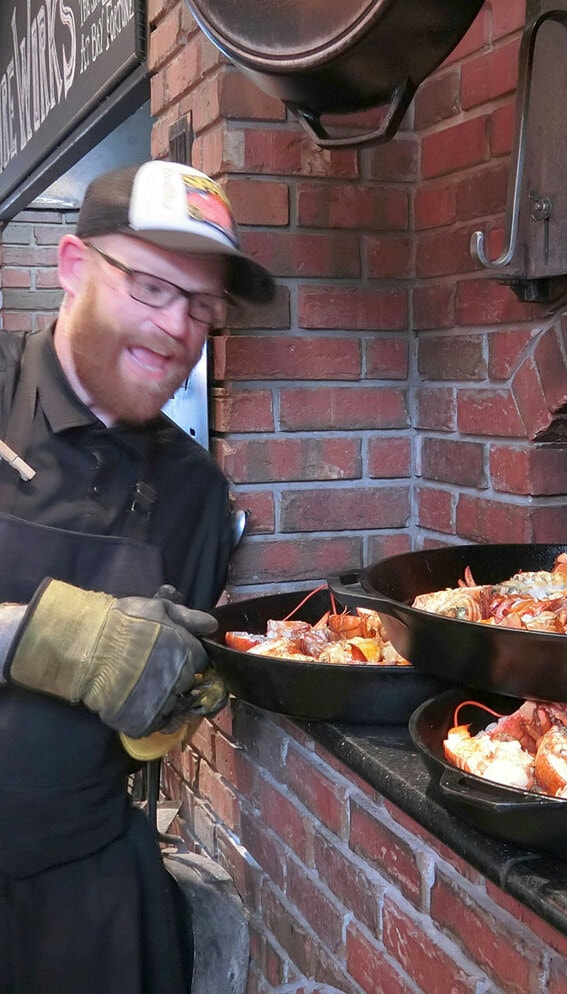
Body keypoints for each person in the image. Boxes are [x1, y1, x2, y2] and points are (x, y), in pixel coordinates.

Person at [0, 160, 274, 993]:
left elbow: (139, 732)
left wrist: (163, 703)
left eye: (201, 306)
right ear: (73, 266)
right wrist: (57, 639)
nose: (175, 328)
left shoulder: (196, 494)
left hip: (84, 885)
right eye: (151, 288)